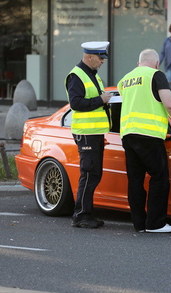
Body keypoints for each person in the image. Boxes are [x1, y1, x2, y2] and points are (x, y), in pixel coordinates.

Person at [117, 49, 171, 233]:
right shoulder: (156, 75)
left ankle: (139, 224)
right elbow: (169, 104)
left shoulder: (125, 80)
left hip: (128, 134)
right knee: (159, 178)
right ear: (156, 63)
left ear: (138, 62)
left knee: (135, 180)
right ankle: (156, 223)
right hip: (149, 135)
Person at [65, 41, 112, 228]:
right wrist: (101, 99)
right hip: (86, 133)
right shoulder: (76, 76)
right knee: (89, 173)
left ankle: (86, 212)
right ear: (89, 57)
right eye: (100, 58)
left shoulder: (92, 75)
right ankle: (81, 215)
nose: (102, 62)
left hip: (94, 133)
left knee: (93, 173)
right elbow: (76, 103)